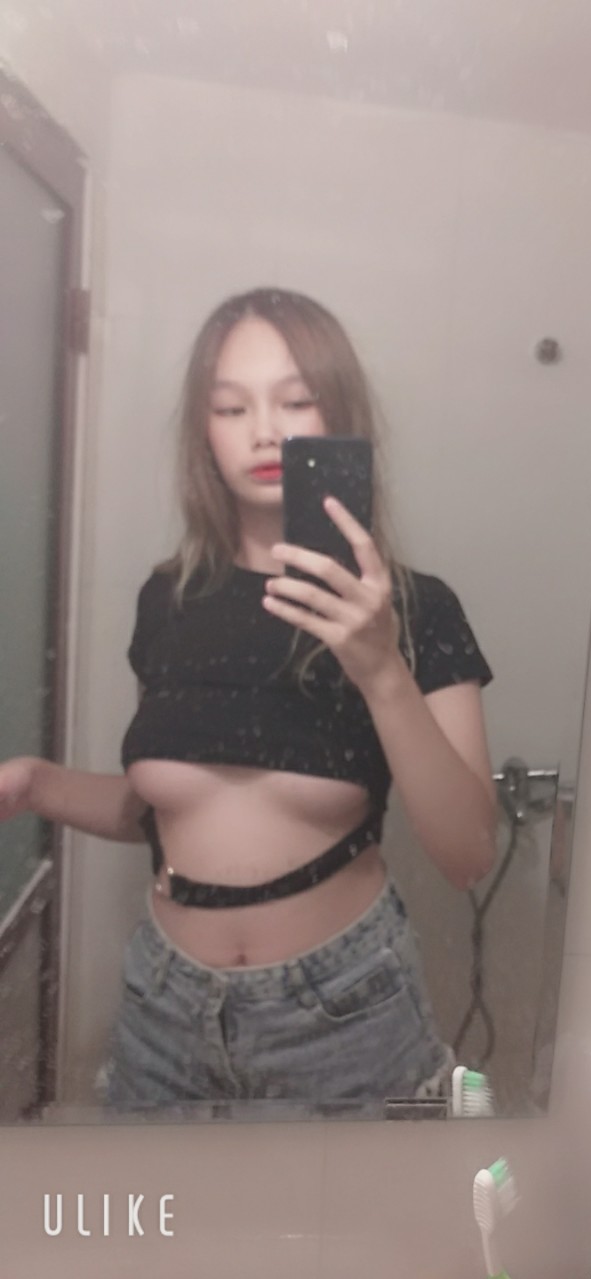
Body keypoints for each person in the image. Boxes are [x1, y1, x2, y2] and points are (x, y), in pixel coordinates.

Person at [0, 287, 497, 1116]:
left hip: (345, 1014)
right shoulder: (169, 599)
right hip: (162, 1008)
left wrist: (381, 669)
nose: (264, 430)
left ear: (341, 415)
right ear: (204, 431)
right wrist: (36, 783)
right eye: (231, 407)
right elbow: (173, 808)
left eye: (295, 400)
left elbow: (467, 854)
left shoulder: (416, 610)